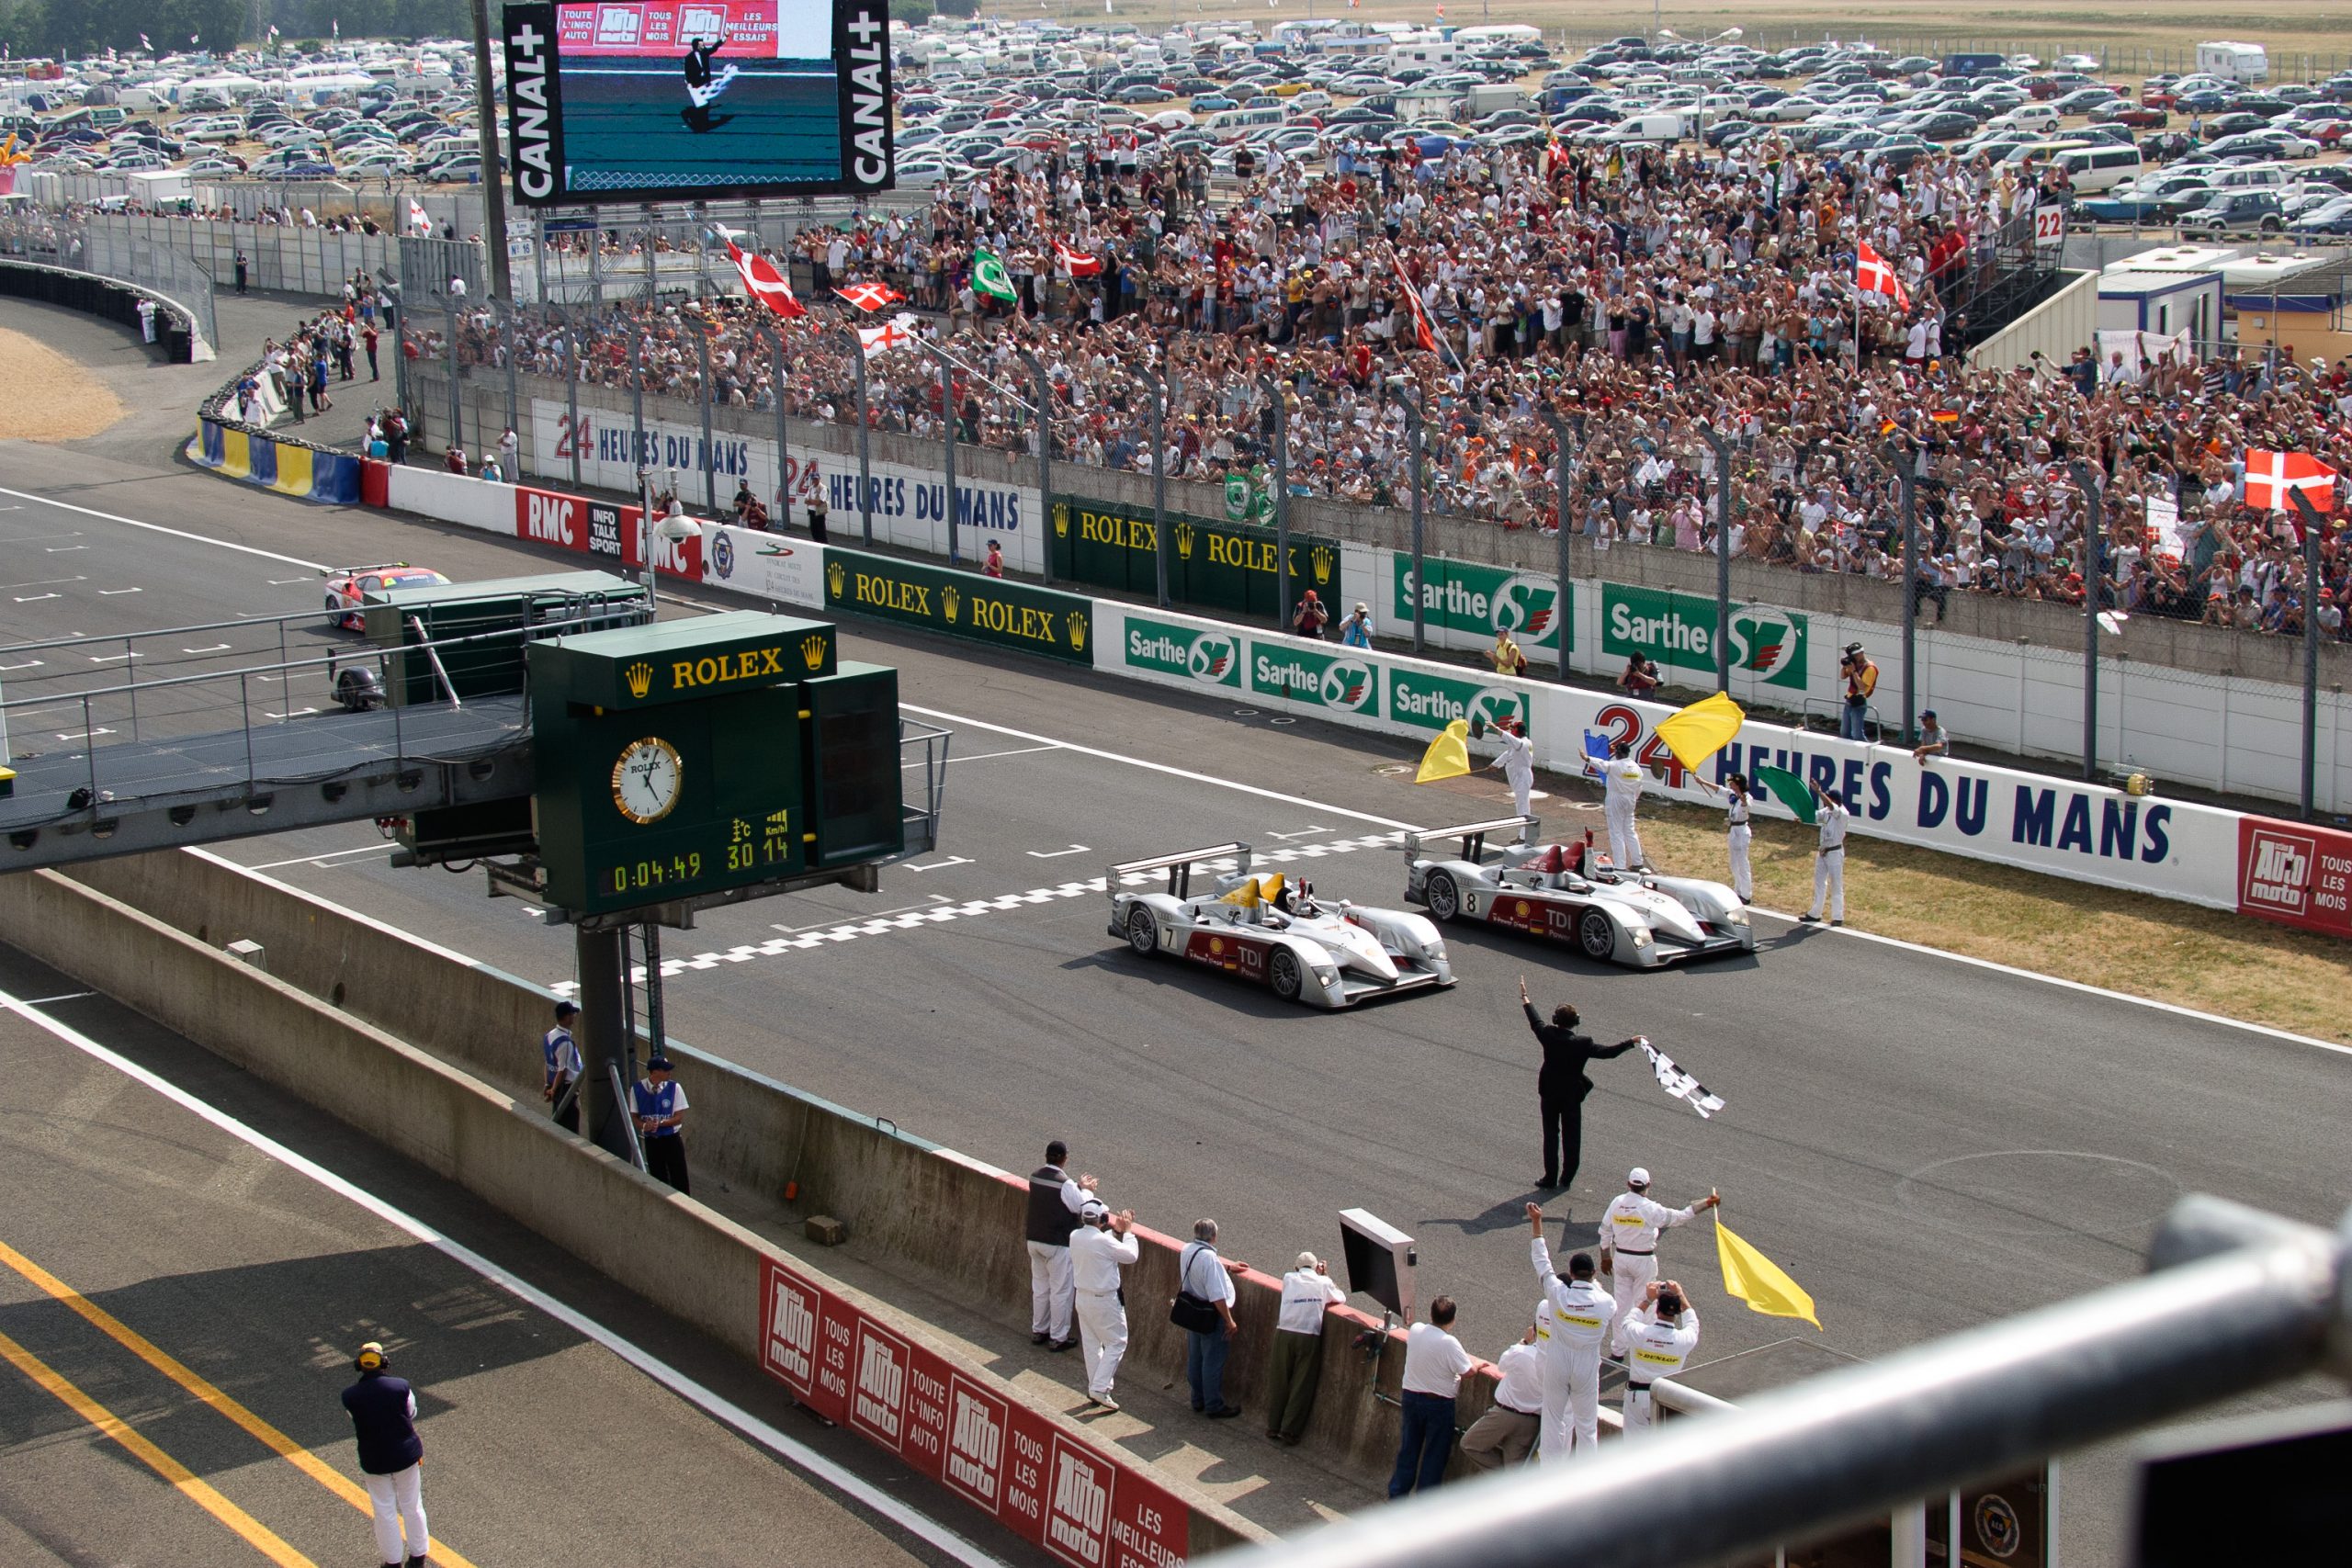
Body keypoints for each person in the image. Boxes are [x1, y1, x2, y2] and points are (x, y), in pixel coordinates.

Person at [1519, 976, 1638, 1191]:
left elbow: (1535, 1022)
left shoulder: (1547, 1034)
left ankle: (1550, 1177)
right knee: (1572, 1137)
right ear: (1576, 1022)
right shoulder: (1583, 1043)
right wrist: (1631, 1042)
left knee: (1550, 1135)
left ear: (1556, 1019)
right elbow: (1608, 1053)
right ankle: (1567, 1177)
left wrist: (1526, 999)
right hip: (1572, 1096)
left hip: (1549, 1092)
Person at [1526, 1204, 1616, 1461]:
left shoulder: (1557, 1292)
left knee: (1553, 1420)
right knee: (1587, 1426)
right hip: (1587, 1365)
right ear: (1594, 1275)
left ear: (1571, 1273)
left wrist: (1537, 1222)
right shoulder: (1606, 1302)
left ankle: (1550, 1474)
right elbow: (1601, 1296)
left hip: (1558, 1361)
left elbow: (1541, 1261)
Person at [1600, 1168, 1718, 1357]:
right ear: (1648, 1186)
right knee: (1646, 1303)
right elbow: (1679, 1217)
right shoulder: (1650, 1208)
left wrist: (1605, 1256)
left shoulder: (1617, 1203)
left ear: (1628, 1184)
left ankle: (1618, 1350)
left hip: (1621, 1259)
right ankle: (1643, 1347)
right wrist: (1706, 1204)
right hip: (1643, 1261)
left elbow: (1605, 1231)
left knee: (1622, 1306)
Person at [340, 1341, 431, 1568]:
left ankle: (393, 1563)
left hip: (375, 1459)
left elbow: (355, 1418)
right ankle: (418, 1557)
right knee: (412, 1505)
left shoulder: (350, 1396)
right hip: (405, 1455)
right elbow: (411, 1412)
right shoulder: (401, 1386)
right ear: (384, 1363)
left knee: (384, 1511)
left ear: (358, 1365)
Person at [1387, 1295, 1475, 1497]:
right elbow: (1468, 1371)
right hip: (1439, 1405)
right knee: (1434, 1456)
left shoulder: (1417, 1330)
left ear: (1431, 1314)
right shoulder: (1450, 1343)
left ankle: (1397, 1496)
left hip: (1411, 1398)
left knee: (1408, 1450)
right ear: (1453, 1319)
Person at [1266, 1251, 1344, 1445]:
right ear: (1317, 1267)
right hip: (1309, 1335)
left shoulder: (1288, 1278)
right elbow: (1340, 1298)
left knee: (1279, 1380)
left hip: (1284, 1332)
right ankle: (1290, 1430)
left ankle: (1273, 1425)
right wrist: (1324, 1276)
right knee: (1302, 1383)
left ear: (1296, 1268)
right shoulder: (1323, 1282)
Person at [1069, 1200, 1139, 1411]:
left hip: (1082, 1297)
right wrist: (1128, 1232)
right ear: (1102, 1219)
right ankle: (1099, 1388)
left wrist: (1114, 1231)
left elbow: (1099, 1242)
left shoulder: (1075, 1236)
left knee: (1092, 1345)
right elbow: (1131, 1256)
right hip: (1104, 1300)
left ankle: (1097, 1388)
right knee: (1117, 1342)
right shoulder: (1102, 1241)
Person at [1026, 1140, 1091, 1351]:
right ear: (1064, 1158)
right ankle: (1058, 1337)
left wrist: (1078, 1187)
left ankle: (1039, 1330)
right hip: (1057, 1243)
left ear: (1046, 1155)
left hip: (1034, 1240)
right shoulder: (1065, 1183)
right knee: (1060, 1291)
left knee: (1040, 1288)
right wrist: (1086, 1190)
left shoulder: (1035, 1176)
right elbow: (1079, 1207)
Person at [1458, 1319, 1544, 1471]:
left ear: (1535, 1331)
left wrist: (1524, 1340)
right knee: (1515, 1469)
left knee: (1470, 1444)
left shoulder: (1520, 1352)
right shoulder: (1557, 1362)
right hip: (1532, 1421)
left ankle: (1503, 1482)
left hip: (1505, 1414)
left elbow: (1502, 1364)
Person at [1178, 1219, 1242, 1418]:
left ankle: (1197, 1399)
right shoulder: (1210, 1259)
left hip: (1193, 1311)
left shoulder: (1187, 1249)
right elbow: (1217, 1296)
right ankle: (1213, 1405)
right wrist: (1229, 1320)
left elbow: (1201, 1268)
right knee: (1212, 1361)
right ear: (1213, 1237)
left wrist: (1227, 1268)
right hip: (1211, 1315)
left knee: (1195, 1357)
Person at [1619, 1280, 1701, 1434]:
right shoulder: (1684, 1339)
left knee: (1632, 1449)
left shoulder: (1639, 1333)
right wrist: (1681, 1295)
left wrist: (1648, 1299)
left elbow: (1627, 1322)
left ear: (1657, 1310)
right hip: (1666, 1399)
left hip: (1637, 1396)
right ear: (1677, 1313)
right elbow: (1693, 1322)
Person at [1691, 771, 1754, 902]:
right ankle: (1738, 890)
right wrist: (1703, 782)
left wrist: (1743, 802)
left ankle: (1746, 894)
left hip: (1742, 831)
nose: (1730, 785)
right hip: (1733, 830)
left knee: (1743, 863)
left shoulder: (1746, 797)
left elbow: (1746, 806)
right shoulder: (1733, 795)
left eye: (1732, 783)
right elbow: (1719, 789)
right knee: (1734, 863)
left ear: (1738, 784)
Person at [632, 1053, 690, 1192]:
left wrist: (661, 1123)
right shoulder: (637, 1089)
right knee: (658, 1177)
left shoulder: (675, 1088)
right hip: (652, 1141)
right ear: (655, 1072)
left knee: (679, 1176)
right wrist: (645, 1126)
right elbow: (634, 1116)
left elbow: (679, 1117)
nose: (669, 1073)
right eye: (665, 1070)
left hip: (671, 1139)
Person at [1798, 779, 1849, 926]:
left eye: (1827, 799)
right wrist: (1802, 818)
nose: (1825, 803)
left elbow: (1831, 806)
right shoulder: (1826, 811)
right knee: (1820, 882)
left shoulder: (1842, 813)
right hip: (1823, 851)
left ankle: (1838, 916)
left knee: (1836, 884)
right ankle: (1815, 913)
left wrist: (1819, 792)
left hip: (1835, 852)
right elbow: (1814, 816)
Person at [1593, 737, 1647, 869]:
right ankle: (1637, 862)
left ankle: (1620, 865)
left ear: (1619, 753)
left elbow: (1602, 764)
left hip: (1616, 798)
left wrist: (1588, 759)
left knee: (1616, 832)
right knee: (1630, 831)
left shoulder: (1616, 765)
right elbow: (1640, 786)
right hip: (1630, 799)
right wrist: (1634, 798)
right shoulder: (1636, 767)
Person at [1487, 716, 1536, 833]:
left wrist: (1496, 729)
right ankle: (1523, 835)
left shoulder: (1523, 743)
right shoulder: (1517, 744)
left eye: (1513, 729)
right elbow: (1507, 754)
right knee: (1521, 806)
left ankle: (1524, 836)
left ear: (1517, 731)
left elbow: (1509, 739)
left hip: (1522, 778)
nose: (1511, 731)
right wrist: (1495, 765)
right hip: (1519, 777)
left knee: (1522, 807)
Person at [540, 998, 582, 1134]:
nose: (574, 1017)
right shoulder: (565, 1043)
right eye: (572, 1014)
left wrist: (548, 1086)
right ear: (566, 1017)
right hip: (567, 1089)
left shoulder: (549, 1036)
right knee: (570, 1127)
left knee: (558, 1124)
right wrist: (554, 1090)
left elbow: (547, 1063)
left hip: (555, 1087)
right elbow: (562, 1070)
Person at [1838, 642, 1878, 741]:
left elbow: (1862, 687)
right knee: (1844, 733)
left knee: (1857, 735)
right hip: (1850, 700)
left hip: (1859, 702)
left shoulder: (1870, 668)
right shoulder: (1854, 664)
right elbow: (1843, 676)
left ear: (1862, 653)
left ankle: (1866, 751)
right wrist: (1845, 666)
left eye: (1855, 655)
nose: (1854, 658)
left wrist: (1854, 671)